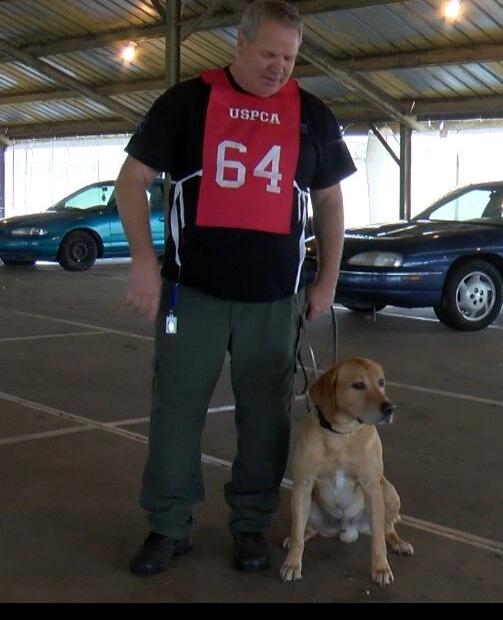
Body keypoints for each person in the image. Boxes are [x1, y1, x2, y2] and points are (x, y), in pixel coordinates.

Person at [114, 0, 355, 576]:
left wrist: (328, 277)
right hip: (190, 294)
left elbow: (329, 200)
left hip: (274, 299)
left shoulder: (312, 114)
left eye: (290, 58)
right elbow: (132, 181)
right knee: (176, 409)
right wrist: (144, 263)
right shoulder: (186, 103)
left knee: (265, 418)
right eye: (269, 53)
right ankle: (169, 526)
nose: (279, 67)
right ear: (240, 45)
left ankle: (251, 525)